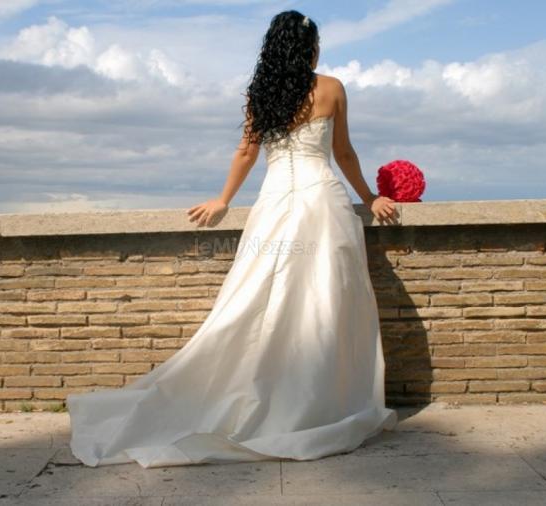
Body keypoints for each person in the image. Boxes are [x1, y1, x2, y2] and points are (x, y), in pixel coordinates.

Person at [66, 9, 399, 469]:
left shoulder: (261, 93)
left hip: (277, 201)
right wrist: (372, 197)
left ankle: (272, 390)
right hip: (323, 204)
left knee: (261, 297)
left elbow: (246, 151)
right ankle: (324, 398)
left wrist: (224, 199)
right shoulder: (332, 88)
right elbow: (342, 152)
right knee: (328, 298)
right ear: (311, 48)